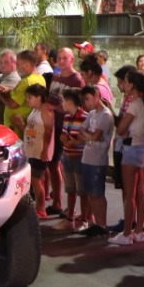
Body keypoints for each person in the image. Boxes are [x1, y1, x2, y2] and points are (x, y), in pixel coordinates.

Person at [110, 71, 144, 245]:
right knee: (140, 191)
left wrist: (123, 130)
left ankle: (127, 232)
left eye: (127, 82)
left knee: (129, 194)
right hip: (142, 148)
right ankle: (139, 231)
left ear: (132, 85)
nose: (124, 85)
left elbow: (121, 128)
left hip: (131, 148)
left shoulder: (135, 104)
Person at [76, 84, 114, 237]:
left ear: (97, 96)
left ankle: (102, 224)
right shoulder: (92, 114)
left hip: (98, 158)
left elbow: (95, 136)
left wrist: (89, 136)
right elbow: (81, 132)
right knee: (90, 192)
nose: (86, 103)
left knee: (98, 193)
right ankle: (96, 223)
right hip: (87, 156)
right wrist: (89, 136)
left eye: (88, 99)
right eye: (84, 100)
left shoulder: (106, 115)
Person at [22, 83, 54, 218]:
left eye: (30, 97)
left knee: (36, 180)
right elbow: (32, 129)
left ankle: (41, 209)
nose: (27, 100)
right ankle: (39, 208)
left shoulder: (45, 112)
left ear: (39, 97)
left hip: (39, 151)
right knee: (34, 180)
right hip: (31, 149)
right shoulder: (35, 111)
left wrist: (45, 151)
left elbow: (48, 132)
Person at [59, 88, 89, 229]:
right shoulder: (66, 117)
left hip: (80, 158)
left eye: (63, 100)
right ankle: (70, 218)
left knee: (82, 191)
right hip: (67, 156)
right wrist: (64, 138)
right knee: (70, 189)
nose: (62, 103)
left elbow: (88, 138)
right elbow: (64, 134)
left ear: (70, 102)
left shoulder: (85, 117)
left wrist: (74, 141)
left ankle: (84, 220)